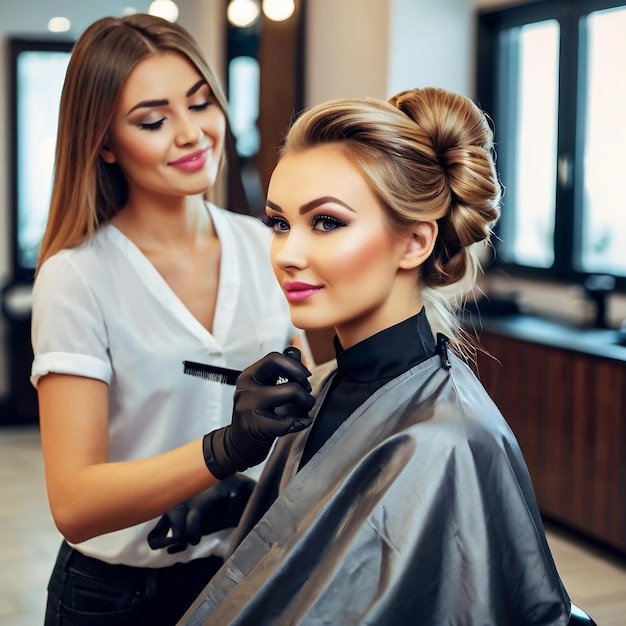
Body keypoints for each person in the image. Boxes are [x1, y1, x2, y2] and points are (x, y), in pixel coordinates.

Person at [180, 87, 574, 625]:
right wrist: (244, 499)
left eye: (326, 222)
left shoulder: (450, 439)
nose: (288, 254)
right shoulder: (320, 387)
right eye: (279, 223)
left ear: (414, 242)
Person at [30, 13, 315, 626]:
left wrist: (248, 490)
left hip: (243, 576)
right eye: (154, 121)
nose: (192, 134)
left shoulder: (269, 247)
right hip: (114, 598)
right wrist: (224, 450)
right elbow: (75, 503)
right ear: (105, 143)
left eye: (201, 103)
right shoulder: (77, 276)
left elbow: (300, 414)